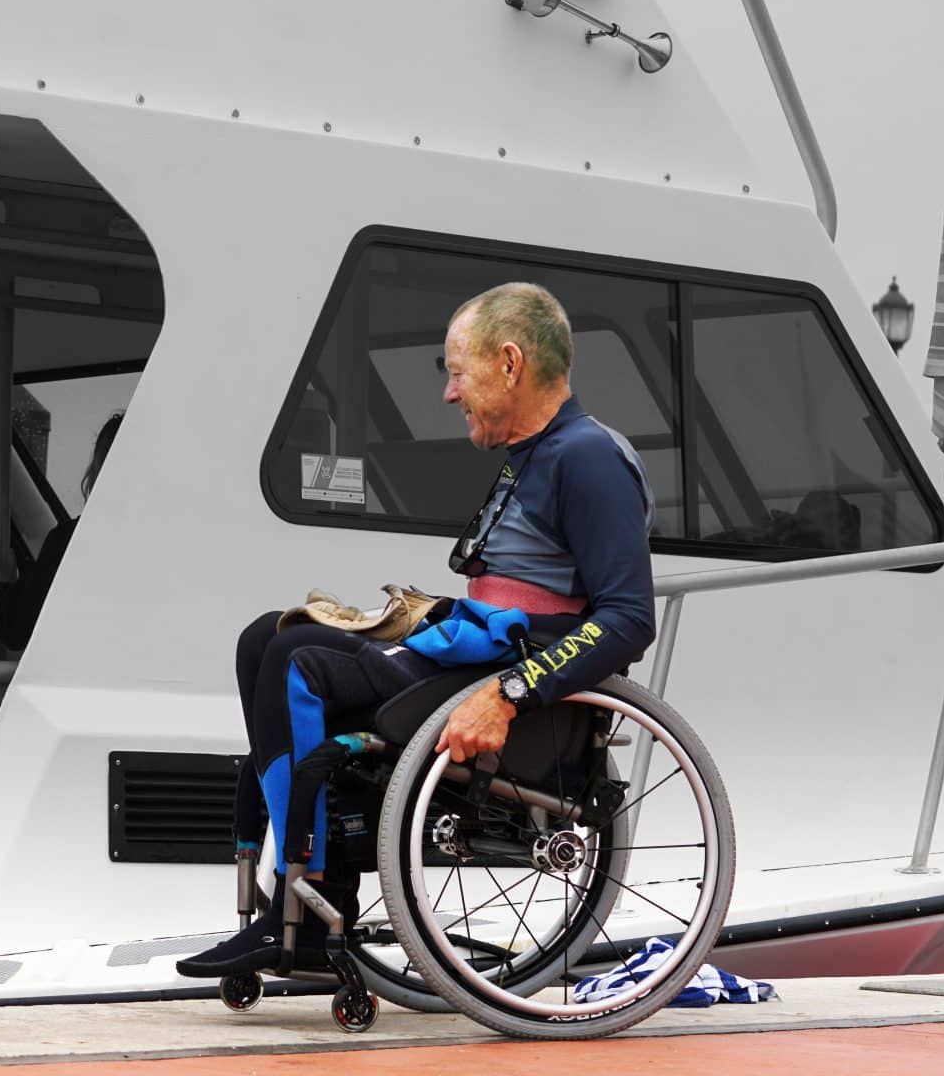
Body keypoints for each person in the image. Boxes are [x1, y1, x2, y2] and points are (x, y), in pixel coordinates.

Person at [178, 282, 657, 978]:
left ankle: (307, 907)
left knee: (293, 659)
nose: (450, 394)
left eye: (458, 373)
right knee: (266, 636)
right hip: (472, 655)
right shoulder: (536, 456)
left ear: (510, 363)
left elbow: (626, 619)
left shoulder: (586, 457)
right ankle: (306, 894)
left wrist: (511, 694)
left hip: (508, 683)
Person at [0, 411, 122, 651]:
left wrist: (2, 586)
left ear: (98, 468)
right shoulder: (176, 546)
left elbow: (18, 630)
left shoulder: (72, 542)